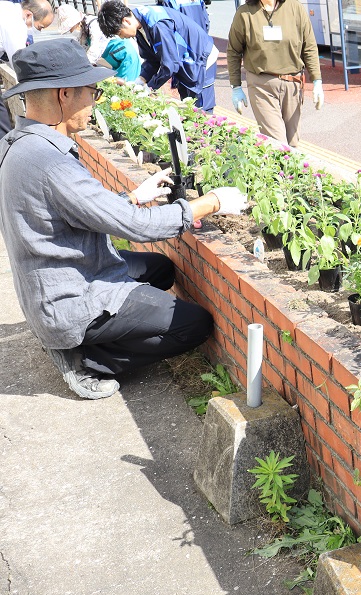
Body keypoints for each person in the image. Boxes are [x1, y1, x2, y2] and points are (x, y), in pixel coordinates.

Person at [0, 38, 247, 400]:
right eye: (92, 91)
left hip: (55, 280)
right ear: (64, 94)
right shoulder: (51, 163)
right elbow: (137, 227)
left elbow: (70, 210)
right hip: (68, 298)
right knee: (194, 324)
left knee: (161, 270)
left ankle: (88, 337)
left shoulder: (21, 144)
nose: (95, 100)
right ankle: (86, 359)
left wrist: (132, 196)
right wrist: (211, 203)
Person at [227, 0, 324, 148]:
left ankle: (288, 171)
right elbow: (233, 51)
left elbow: (309, 46)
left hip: (292, 83)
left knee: (293, 143)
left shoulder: (295, 8)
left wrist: (317, 81)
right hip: (261, 85)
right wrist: (236, 87)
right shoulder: (245, 13)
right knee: (278, 144)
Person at [97, 0, 217, 111]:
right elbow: (152, 60)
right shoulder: (140, 24)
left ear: (126, 21)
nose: (122, 37)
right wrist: (141, 80)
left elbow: (170, 64)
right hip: (186, 61)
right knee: (189, 107)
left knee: (201, 111)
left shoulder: (157, 23)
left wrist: (149, 88)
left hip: (201, 58)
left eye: (119, 33)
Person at [0, 0, 54, 135]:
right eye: (40, 27)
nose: (38, 31)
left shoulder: (7, 7)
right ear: (29, 15)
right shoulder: (15, 23)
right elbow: (19, 62)